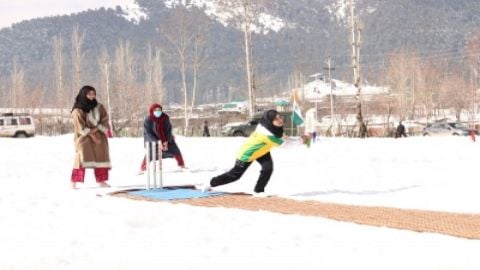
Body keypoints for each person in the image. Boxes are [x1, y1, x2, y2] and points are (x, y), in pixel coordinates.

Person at [201, 109, 285, 195]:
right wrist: (298, 140)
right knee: (235, 175)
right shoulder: (267, 135)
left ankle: (259, 190)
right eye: (276, 119)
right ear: (270, 121)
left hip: (261, 150)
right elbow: (285, 144)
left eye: (280, 117)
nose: (280, 120)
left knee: (267, 168)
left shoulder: (269, 126)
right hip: (247, 153)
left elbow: (282, 138)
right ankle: (210, 183)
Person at [71, 85, 111, 189]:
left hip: (100, 138)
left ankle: (101, 181)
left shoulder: (99, 107)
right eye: (89, 94)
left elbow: (105, 120)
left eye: (93, 94)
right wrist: (92, 134)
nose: (91, 96)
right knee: (81, 159)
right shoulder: (77, 110)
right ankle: (74, 182)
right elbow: (80, 127)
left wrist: (98, 128)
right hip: (84, 138)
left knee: (101, 158)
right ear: (83, 94)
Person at [140, 103, 185, 172]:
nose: (158, 112)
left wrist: (166, 141)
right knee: (150, 154)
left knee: (175, 150)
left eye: (159, 110)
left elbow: (168, 130)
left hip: (165, 139)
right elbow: (148, 133)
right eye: (156, 110)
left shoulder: (165, 118)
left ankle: (181, 165)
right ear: (152, 110)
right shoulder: (148, 120)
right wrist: (158, 142)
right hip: (152, 139)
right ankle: (143, 168)